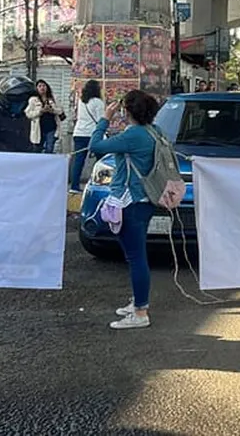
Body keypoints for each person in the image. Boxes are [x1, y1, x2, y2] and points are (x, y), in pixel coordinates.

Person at [90, 90, 160, 330]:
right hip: (146, 200)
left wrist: (104, 119)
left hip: (130, 201)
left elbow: (96, 146)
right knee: (137, 256)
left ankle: (141, 312)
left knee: (136, 257)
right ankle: (138, 303)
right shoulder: (153, 131)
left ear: (127, 111)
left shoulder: (134, 135)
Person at [0, 76, 38, 153]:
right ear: (6, 99)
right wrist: (14, 155)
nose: (20, 103)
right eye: (15, 99)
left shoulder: (23, 118)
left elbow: (26, 144)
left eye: (24, 99)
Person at [71, 80, 106, 192]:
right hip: (93, 134)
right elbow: (101, 120)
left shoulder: (81, 101)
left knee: (78, 161)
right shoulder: (98, 102)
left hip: (79, 133)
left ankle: (74, 187)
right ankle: (99, 184)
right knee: (101, 160)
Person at [29, 80, 65, 154]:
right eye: (40, 86)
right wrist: (40, 111)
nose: (42, 88)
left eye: (44, 86)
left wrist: (52, 110)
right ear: (36, 88)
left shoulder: (53, 98)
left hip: (51, 128)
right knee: (37, 149)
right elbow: (28, 114)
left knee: (49, 149)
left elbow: (60, 110)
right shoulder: (33, 100)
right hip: (38, 129)